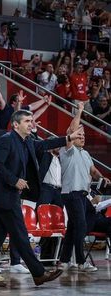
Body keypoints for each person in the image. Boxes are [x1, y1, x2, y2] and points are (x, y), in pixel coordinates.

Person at [0, 109, 83, 287]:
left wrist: (69, 138)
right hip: (5, 196)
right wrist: (14, 180)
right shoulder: (7, 140)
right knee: (21, 236)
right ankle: (38, 273)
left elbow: (47, 145)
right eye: (27, 121)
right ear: (15, 124)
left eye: (31, 120)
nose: (31, 124)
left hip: (10, 197)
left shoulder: (27, 142)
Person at [58, 102, 110, 272]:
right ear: (72, 136)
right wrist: (80, 110)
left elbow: (93, 171)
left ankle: (64, 261)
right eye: (79, 135)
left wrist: (102, 178)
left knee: (74, 227)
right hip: (71, 193)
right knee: (80, 225)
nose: (83, 137)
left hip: (82, 195)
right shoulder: (67, 150)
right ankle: (81, 262)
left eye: (84, 135)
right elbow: (72, 130)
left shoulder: (86, 153)